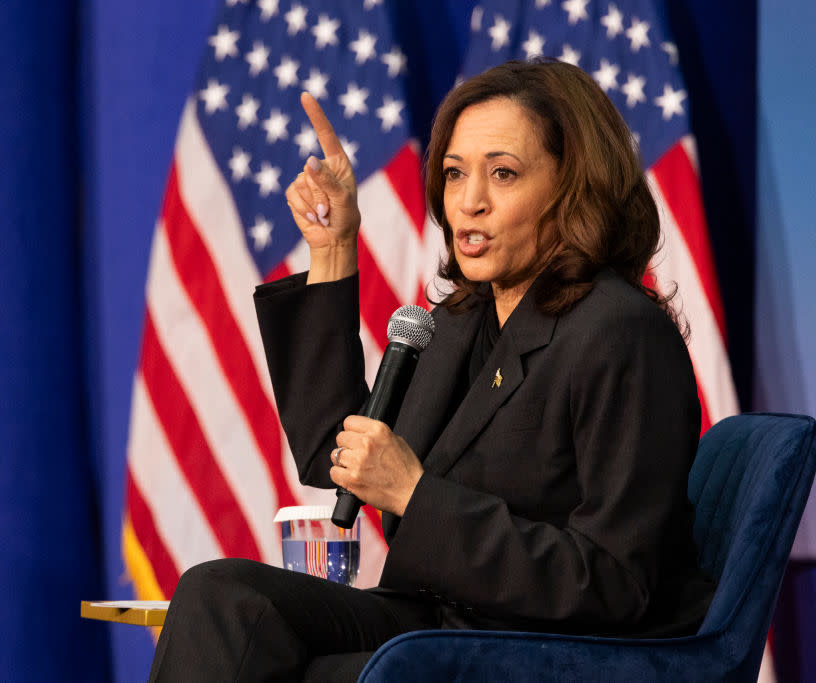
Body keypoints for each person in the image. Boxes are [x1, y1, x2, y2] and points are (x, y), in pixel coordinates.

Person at [148, 59, 715, 682]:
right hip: (440, 622)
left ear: (572, 187)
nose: (469, 202)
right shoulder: (463, 319)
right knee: (220, 598)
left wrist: (415, 496)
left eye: (503, 173)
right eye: (454, 173)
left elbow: (615, 580)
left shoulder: (618, 330)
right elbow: (338, 456)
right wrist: (334, 249)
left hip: (550, 649)